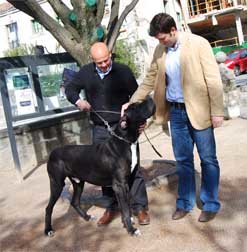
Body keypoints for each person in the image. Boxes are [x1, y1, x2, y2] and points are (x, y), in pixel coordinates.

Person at [123, 13, 224, 222]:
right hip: (176, 113)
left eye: (162, 38)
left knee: (208, 159)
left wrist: (217, 111)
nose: (160, 42)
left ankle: (210, 203)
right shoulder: (160, 50)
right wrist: (132, 102)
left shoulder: (199, 44)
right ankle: (184, 203)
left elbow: (213, 80)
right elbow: (149, 79)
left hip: (200, 110)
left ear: (173, 30)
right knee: (183, 161)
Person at [65, 42, 150, 226]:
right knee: (104, 170)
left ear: (110, 54)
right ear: (92, 61)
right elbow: (70, 89)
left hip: (126, 131)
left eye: (105, 60)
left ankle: (140, 207)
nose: (103, 64)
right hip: (100, 129)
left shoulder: (123, 71)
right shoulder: (86, 72)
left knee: (133, 169)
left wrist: (140, 123)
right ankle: (111, 208)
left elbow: (137, 98)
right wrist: (78, 101)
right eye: (99, 62)